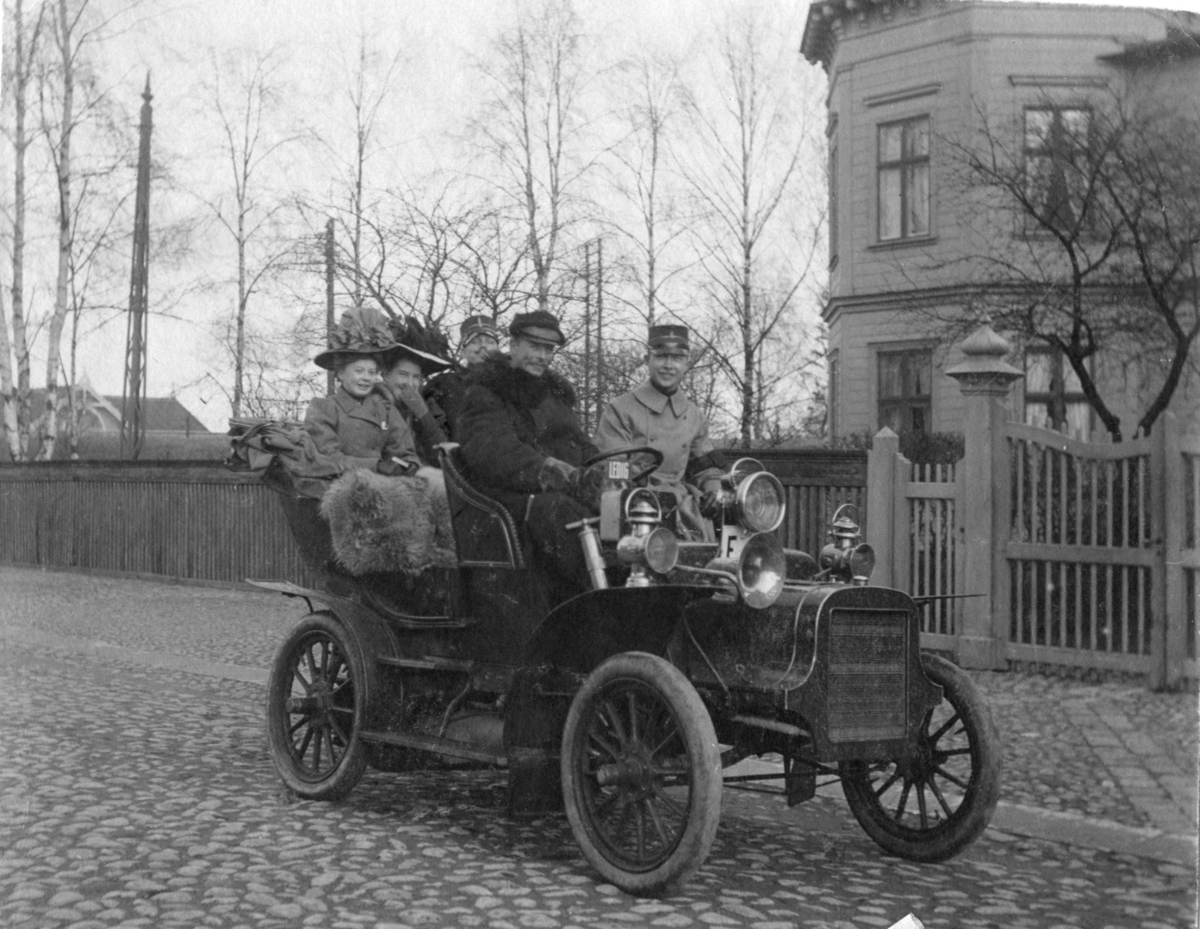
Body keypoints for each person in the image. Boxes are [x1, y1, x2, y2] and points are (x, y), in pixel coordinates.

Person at [456, 309, 603, 601]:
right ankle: (590, 601)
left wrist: (607, 471)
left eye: (548, 349)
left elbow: (580, 444)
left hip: (556, 495)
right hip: (505, 499)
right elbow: (495, 451)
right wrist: (555, 472)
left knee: (631, 505)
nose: (542, 356)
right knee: (560, 511)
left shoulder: (555, 396)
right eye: (534, 346)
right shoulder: (485, 391)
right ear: (513, 345)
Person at [594, 324, 724, 541]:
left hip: (684, 506)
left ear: (687, 363)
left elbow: (705, 467)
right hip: (635, 504)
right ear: (647, 360)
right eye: (661, 356)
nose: (668, 365)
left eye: (677, 358)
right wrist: (639, 484)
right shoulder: (620, 409)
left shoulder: (694, 416)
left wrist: (713, 490)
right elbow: (613, 468)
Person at [304, 306, 420, 477]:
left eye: (372, 372)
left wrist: (408, 465)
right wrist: (376, 466)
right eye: (359, 371)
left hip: (382, 486)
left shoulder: (386, 410)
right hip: (335, 486)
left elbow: (405, 453)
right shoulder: (323, 408)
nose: (366, 378)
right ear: (341, 374)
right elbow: (326, 459)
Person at [379, 317, 454, 465]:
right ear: (386, 375)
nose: (409, 383)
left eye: (416, 377)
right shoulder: (374, 403)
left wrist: (423, 415)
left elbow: (441, 455)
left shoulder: (424, 406)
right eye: (403, 374)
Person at [423, 314, 502, 439]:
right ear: (463, 352)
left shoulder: (513, 386)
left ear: (498, 350)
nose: (483, 346)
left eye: (490, 342)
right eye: (475, 342)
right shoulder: (443, 385)